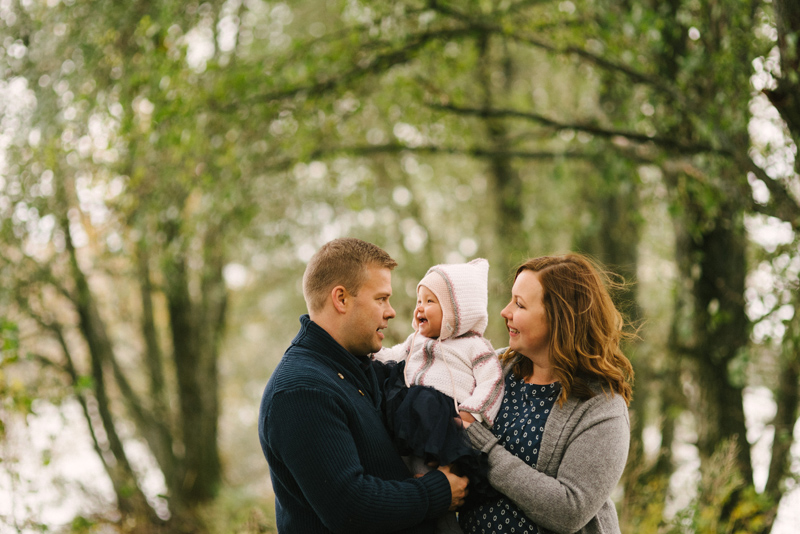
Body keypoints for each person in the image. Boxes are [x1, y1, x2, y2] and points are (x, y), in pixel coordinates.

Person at [258, 238, 469, 534]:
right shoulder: (301, 391)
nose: (391, 311)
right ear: (341, 299)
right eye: (381, 299)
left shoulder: (358, 368)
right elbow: (350, 508)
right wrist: (439, 492)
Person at [458, 254, 635, 534]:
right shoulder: (492, 368)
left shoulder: (601, 406)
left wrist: (482, 445)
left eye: (520, 304)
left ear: (559, 319)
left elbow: (569, 510)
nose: (505, 311)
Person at [373, 259, 504, 533]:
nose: (419, 307)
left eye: (430, 301)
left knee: (447, 481)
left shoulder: (474, 346)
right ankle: (417, 493)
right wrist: (372, 354)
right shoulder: (415, 341)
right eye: (419, 300)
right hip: (411, 415)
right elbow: (393, 355)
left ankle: (440, 512)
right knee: (406, 466)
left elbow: (492, 383)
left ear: (458, 311)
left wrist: (473, 412)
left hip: (445, 420)